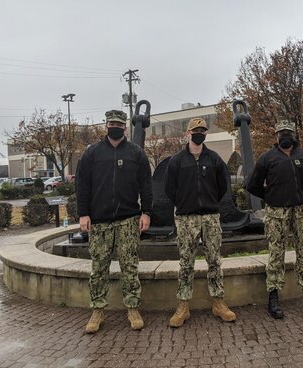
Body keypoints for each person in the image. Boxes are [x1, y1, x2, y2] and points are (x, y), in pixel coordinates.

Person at [76, 109, 152, 333]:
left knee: (130, 267)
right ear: (105, 126)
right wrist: (83, 213)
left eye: (119, 124)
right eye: (111, 123)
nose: (115, 127)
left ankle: (132, 308)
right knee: (99, 268)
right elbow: (82, 185)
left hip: (128, 220)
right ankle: (98, 310)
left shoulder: (136, 153)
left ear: (125, 128)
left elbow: (146, 185)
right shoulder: (92, 153)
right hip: (99, 222)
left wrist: (146, 212)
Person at [245, 120, 303, 319]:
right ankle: (273, 296)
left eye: (288, 133)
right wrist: (270, 196)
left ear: (294, 135)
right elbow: (252, 184)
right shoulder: (267, 158)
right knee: (276, 253)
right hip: (276, 212)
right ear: (277, 136)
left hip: (302, 211)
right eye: (282, 133)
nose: (285, 136)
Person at [164, 117, 236, 327]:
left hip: (210, 217)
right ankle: (183, 305)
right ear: (188, 134)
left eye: (203, 131)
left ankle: (218, 302)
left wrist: (210, 201)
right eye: (196, 130)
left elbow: (223, 185)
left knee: (214, 260)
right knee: (186, 262)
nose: (199, 134)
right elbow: (169, 189)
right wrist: (184, 203)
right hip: (186, 218)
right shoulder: (176, 161)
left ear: (206, 135)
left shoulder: (214, 159)